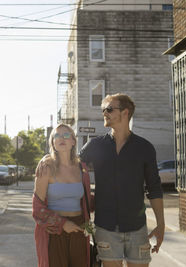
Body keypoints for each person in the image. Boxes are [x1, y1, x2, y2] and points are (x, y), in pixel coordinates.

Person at [79, 93, 164, 267]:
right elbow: (71, 166)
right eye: (103, 109)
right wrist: (49, 161)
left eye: (109, 109)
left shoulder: (144, 148)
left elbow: (154, 188)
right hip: (105, 228)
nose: (104, 113)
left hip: (138, 228)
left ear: (125, 113)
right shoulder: (95, 146)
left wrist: (160, 225)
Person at [32, 123, 94, 267]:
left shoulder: (81, 168)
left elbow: (86, 201)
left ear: (73, 141)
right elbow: (37, 207)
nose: (61, 138)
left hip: (79, 227)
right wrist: (63, 224)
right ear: (53, 142)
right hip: (54, 230)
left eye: (66, 135)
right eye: (57, 135)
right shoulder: (46, 167)